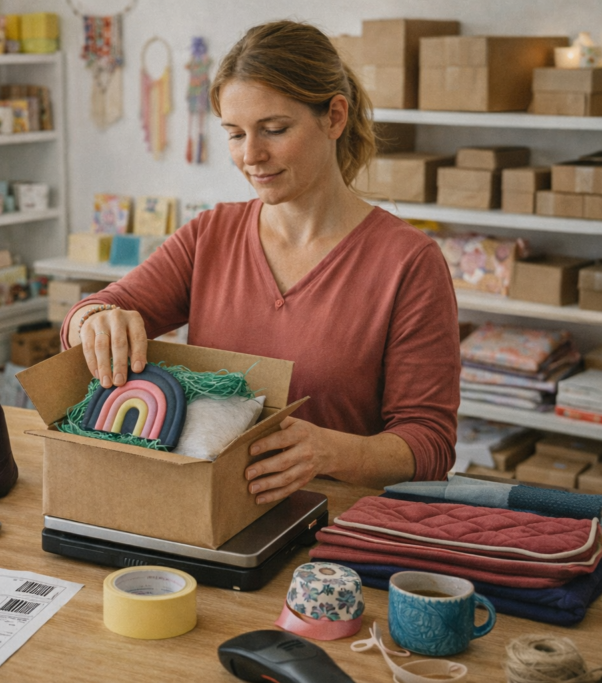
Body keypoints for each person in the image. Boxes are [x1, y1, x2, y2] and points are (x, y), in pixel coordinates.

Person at [62, 20, 459, 505]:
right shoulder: (210, 236)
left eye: (274, 130)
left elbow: (430, 444)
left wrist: (330, 451)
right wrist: (96, 320)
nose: (251, 156)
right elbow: (95, 312)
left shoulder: (408, 263)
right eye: (235, 134)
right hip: (208, 513)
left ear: (335, 117)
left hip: (334, 530)